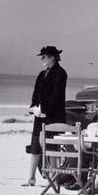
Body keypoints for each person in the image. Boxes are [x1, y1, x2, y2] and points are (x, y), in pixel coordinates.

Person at [23, 46, 67, 186]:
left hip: (54, 116)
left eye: (44, 56)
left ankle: (53, 179)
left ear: (52, 57)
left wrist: (44, 109)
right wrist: (34, 107)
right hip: (40, 115)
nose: (42, 59)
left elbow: (57, 96)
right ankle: (31, 178)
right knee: (35, 145)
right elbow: (36, 94)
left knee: (52, 147)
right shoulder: (42, 74)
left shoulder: (61, 73)